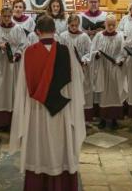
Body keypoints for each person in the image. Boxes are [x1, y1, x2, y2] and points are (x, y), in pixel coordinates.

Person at [10, 15, 85, 191]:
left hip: (37, 111)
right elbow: (76, 84)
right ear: (55, 30)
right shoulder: (66, 50)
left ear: (37, 32)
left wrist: (22, 113)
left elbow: (22, 87)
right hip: (62, 110)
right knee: (61, 147)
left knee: (39, 148)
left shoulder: (29, 52)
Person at [0, 5, 27, 131]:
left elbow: (24, 45)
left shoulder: (18, 29)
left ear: (12, 16)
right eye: (4, 16)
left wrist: (17, 55)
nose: (7, 19)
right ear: (0, 16)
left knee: (12, 91)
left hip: (13, 65)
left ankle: (12, 123)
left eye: (9, 16)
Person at [91, 14, 126, 130]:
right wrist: (96, 54)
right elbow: (92, 50)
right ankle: (102, 118)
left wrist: (120, 60)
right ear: (104, 24)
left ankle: (114, 119)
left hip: (115, 69)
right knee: (103, 94)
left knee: (115, 94)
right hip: (102, 68)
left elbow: (123, 52)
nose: (111, 27)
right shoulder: (99, 36)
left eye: (113, 25)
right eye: (108, 25)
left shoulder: (120, 36)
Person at [59, 13, 95, 121]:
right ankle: (69, 117)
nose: (74, 28)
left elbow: (89, 51)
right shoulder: (63, 36)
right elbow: (60, 52)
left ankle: (81, 117)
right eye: (72, 25)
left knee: (81, 92)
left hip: (81, 69)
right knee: (69, 92)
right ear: (68, 25)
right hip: (67, 70)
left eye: (76, 25)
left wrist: (84, 59)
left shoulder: (84, 36)